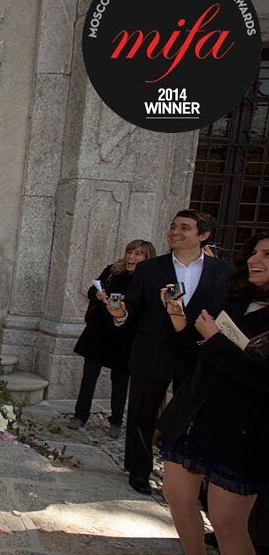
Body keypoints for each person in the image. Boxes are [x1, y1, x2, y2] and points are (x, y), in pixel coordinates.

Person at [155, 231, 269, 555]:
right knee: (177, 494)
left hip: (242, 430)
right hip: (198, 418)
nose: (256, 260)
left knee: (228, 523)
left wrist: (215, 341)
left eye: (267, 255)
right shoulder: (237, 302)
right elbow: (200, 358)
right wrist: (178, 317)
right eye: (254, 253)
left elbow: (260, 378)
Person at [108, 210, 230, 495]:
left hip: (196, 355)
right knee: (142, 413)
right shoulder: (150, 269)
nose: (174, 232)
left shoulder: (222, 272)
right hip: (153, 351)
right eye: (173, 226)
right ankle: (139, 470)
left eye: (184, 228)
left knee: (195, 416)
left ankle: (192, 475)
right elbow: (134, 307)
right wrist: (121, 312)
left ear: (203, 235)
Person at [67, 240, 156, 437]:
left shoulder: (148, 278)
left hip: (125, 336)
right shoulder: (113, 270)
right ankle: (80, 415)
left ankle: (116, 421)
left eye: (137, 254)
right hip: (100, 331)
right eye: (129, 252)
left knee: (120, 379)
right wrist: (98, 296)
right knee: (89, 375)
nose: (131, 257)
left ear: (147, 257)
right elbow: (93, 290)